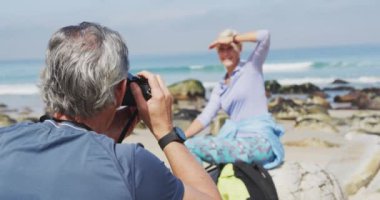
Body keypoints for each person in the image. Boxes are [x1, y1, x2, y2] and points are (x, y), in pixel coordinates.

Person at [0, 22, 221, 200]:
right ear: (120, 90)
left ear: (50, 80)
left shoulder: (5, 140)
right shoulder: (131, 166)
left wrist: (98, 137)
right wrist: (167, 133)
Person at [185, 29, 284, 169]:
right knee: (185, 145)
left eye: (230, 48)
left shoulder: (251, 68)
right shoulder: (220, 87)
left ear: (239, 48)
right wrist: (181, 136)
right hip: (235, 142)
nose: (226, 54)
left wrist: (235, 38)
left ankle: (199, 189)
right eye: (221, 50)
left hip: (259, 142)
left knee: (191, 146)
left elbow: (265, 36)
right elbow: (205, 117)